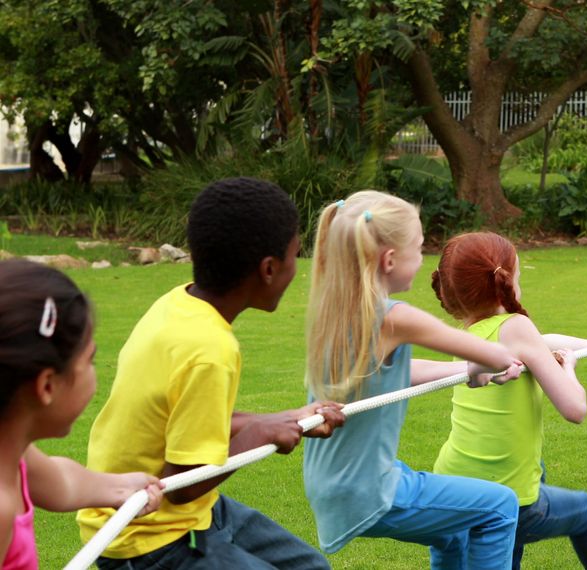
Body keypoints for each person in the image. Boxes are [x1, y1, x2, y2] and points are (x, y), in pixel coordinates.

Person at [77, 177, 346, 569]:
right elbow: (182, 483)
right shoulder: (210, 349)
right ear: (269, 269)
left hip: (195, 516)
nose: (296, 268)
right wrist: (254, 438)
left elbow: (187, 422)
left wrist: (282, 419)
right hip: (147, 539)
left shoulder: (178, 303)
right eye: (295, 256)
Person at [302, 192, 527, 569]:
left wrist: (466, 372)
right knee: (499, 505)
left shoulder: (339, 310)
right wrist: (491, 364)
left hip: (338, 482)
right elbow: (493, 353)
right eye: (419, 249)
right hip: (369, 488)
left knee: (452, 526)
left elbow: (399, 372)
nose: (423, 261)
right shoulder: (395, 317)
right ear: (390, 260)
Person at [429, 231, 587, 570]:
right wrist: (570, 367)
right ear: (506, 282)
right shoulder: (516, 326)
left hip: (453, 485)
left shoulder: (466, 336)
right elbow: (575, 409)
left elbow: (541, 342)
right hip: (506, 497)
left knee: (503, 549)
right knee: (585, 511)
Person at [0, 260, 164, 569]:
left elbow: (59, 480)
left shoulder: (13, 453)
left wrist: (120, 488)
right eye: (90, 359)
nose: (95, 372)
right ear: (47, 385)